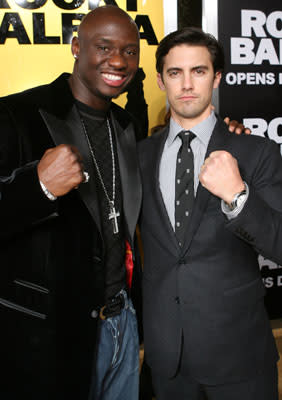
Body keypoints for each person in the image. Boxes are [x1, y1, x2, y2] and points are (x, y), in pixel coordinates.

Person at [0, 5, 143, 400]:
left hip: (123, 324)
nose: (118, 60)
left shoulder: (128, 126)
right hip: (49, 335)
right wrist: (38, 187)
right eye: (104, 47)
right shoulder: (16, 114)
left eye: (130, 51)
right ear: (76, 47)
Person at [138, 27, 282, 400]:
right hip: (168, 362)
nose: (187, 84)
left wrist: (237, 195)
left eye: (199, 71)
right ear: (160, 79)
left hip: (239, 358)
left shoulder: (257, 152)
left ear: (216, 77)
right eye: (175, 73)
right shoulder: (137, 156)